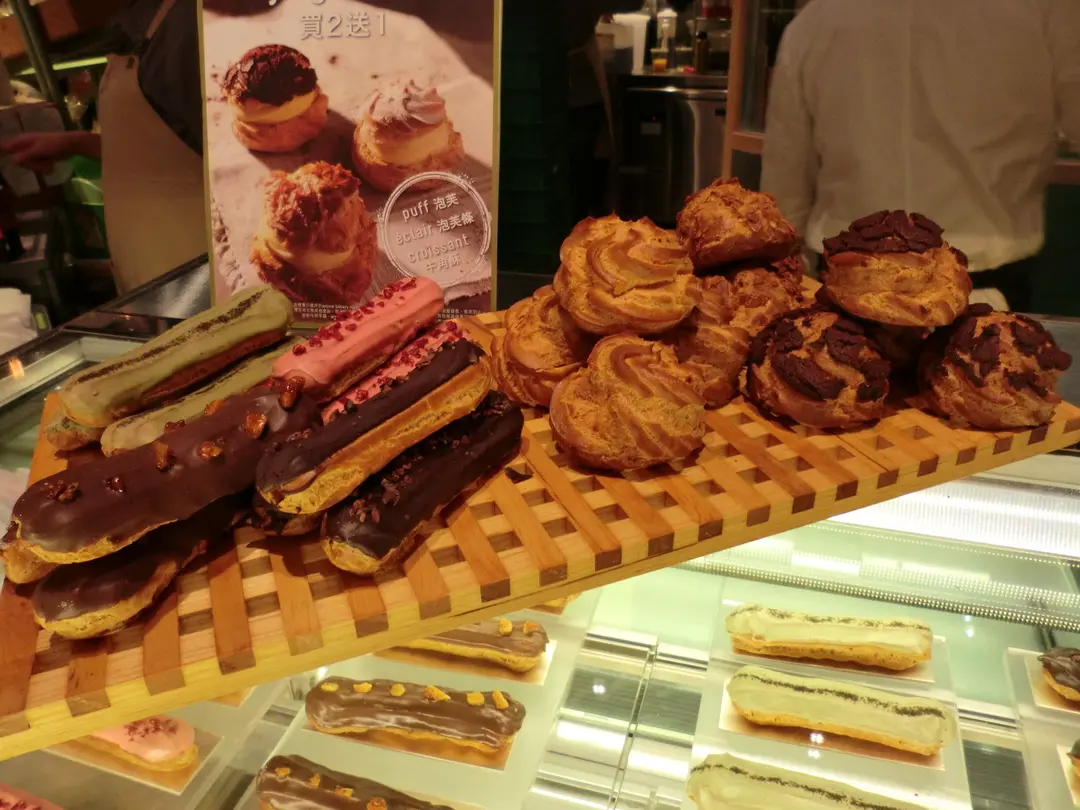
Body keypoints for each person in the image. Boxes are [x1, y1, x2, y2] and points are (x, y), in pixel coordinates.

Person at [761, 0, 1080, 312]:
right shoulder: (1050, 10)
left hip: (852, 288)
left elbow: (785, 192)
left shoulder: (816, 21)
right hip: (983, 291)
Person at [0, 0, 206, 294]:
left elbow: (234, 169)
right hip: (158, 286)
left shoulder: (186, 27)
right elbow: (166, 151)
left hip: (200, 287)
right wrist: (79, 143)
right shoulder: (135, 27)